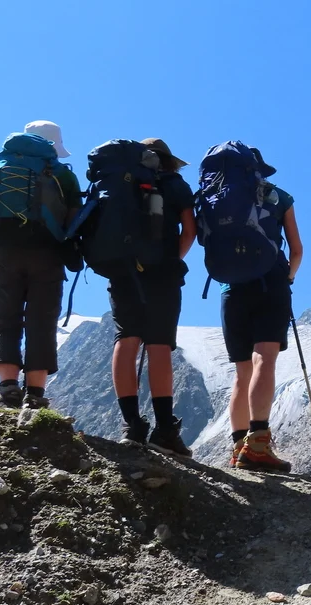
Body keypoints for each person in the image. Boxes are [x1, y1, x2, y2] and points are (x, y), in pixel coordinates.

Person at [0, 120, 82, 410]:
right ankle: (35, 396)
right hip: (47, 255)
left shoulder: (1, 166)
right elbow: (75, 218)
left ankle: (8, 390)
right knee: (42, 323)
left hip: (5, 252)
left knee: (4, 320)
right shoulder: (62, 175)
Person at [109, 138, 196, 458]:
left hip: (123, 271)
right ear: (168, 160)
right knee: (159, 344)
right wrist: (172, 259)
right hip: (163, 273)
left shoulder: (121, 179)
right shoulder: (175, 184)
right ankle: (164, 430)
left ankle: (131, 425)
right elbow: (190, 230)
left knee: (126, 337)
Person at [219, 147, 303, 473]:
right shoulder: (280, 197)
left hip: (231, 289)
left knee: (242, 372)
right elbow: (296, 249)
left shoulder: (217, 197)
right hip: (271, 285)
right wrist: (288, 277)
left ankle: (239, 446)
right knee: (264, 359)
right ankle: (257, 444)